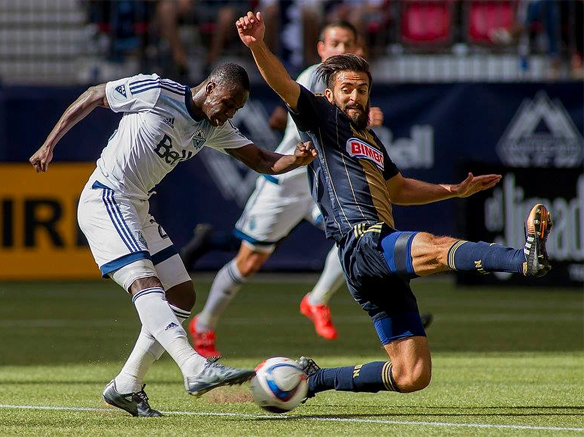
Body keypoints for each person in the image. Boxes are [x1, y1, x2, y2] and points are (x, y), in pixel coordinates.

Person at [236, 11, 553, 397]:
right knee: (436, 247)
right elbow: (283, 84)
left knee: (412, 375)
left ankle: (313, 380)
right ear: (330, 94)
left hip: (374, 258)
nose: (355, 97)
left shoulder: (370, 139)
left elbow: (398, 189)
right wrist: (257, 45)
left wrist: (453, 190)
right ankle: (523, 260)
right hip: (362, 242)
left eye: (362, 90)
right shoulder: (321, 116)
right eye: (347, 89)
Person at [28, 63, 316, 416]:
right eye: (227, 103)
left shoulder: (213, 127)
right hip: (107, 198)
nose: (228, 113)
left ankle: (126, 385)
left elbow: (261, 160)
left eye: (235, 109)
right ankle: (194, 367)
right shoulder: (157, 91)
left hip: (137, 206)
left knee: (181, 293)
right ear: (210, 87)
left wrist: (296, 160)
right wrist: (49, 144)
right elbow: (94, 95)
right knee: (145, 282)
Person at [187, 20, 388, 359]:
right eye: (334, 43)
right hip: (286, 182)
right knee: (248, 262)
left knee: (357, 236)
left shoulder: (353, 85)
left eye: (347, 44)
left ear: (358, 48)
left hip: (320, 184)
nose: (340, 50)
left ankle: (317, 300)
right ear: (321, 49)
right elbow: (317, 119)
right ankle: (204, 323)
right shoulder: (314, 77)